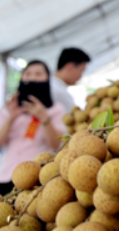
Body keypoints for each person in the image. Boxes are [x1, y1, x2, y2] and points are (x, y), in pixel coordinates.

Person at [0, 61, 65, 195]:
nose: (32, 77)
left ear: (47, 79)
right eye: (28, 73)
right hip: (6, 176)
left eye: (38, 74)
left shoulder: (56, 110)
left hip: (37, 178)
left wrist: (44, 118)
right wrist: (11, 118)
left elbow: (56, 144)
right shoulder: (10, 108)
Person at [51, 47, 90, 113]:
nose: (80, 76)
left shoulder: (53, 85)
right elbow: (73, 118)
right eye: (81, 71)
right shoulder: (58, 90)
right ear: (70, 67)